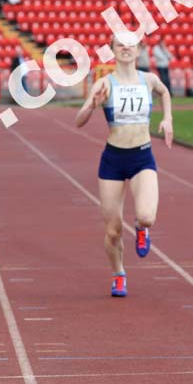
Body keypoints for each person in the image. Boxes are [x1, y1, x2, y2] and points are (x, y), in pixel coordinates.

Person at [75, 35, 173, 298]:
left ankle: (141, 229)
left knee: (147, 216)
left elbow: (164, 92)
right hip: (113, 160)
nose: (126, 48)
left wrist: (168, 118)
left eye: (131, 44)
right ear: (114, 50)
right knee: (113, 231)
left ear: (139, 50)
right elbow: (78, 120)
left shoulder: (148, 80)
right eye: (120, 44)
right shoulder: (104, 83)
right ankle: (119, 274)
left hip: (142, 157)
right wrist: (93, 105)